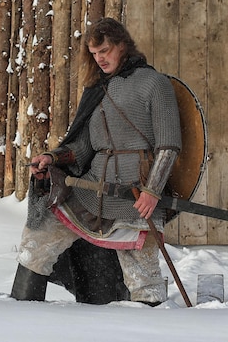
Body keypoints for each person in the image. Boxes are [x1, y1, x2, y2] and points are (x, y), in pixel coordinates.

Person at [11, 17, 182, 306]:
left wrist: (153, 192)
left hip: (136, 191)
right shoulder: (96, 90)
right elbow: (82, 147)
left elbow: (169, 144)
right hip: (92, 189)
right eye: (94, 53)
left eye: (104, 50)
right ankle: (21, 312)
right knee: (38, 239)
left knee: (144, 278)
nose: (99, 59)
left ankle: (151, 330)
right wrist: (52, 157)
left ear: (122, 45)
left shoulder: (155, 83)